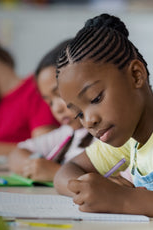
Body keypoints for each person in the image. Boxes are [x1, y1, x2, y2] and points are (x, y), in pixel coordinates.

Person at [54, 13, 153, 217]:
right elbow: (66, 171)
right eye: (79, 114)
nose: (89, 121)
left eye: (96, 98)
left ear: (136, 75)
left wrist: (124, 199)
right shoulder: (132, 140)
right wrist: (91, 190)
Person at [8, 39, 94, 182]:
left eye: (59, 95)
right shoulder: (68, 133)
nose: (57, 108)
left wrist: (56, 173)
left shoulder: (104, 138)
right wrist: (35, 165)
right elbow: (15, 154)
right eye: (49, 102)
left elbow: (105, 183)